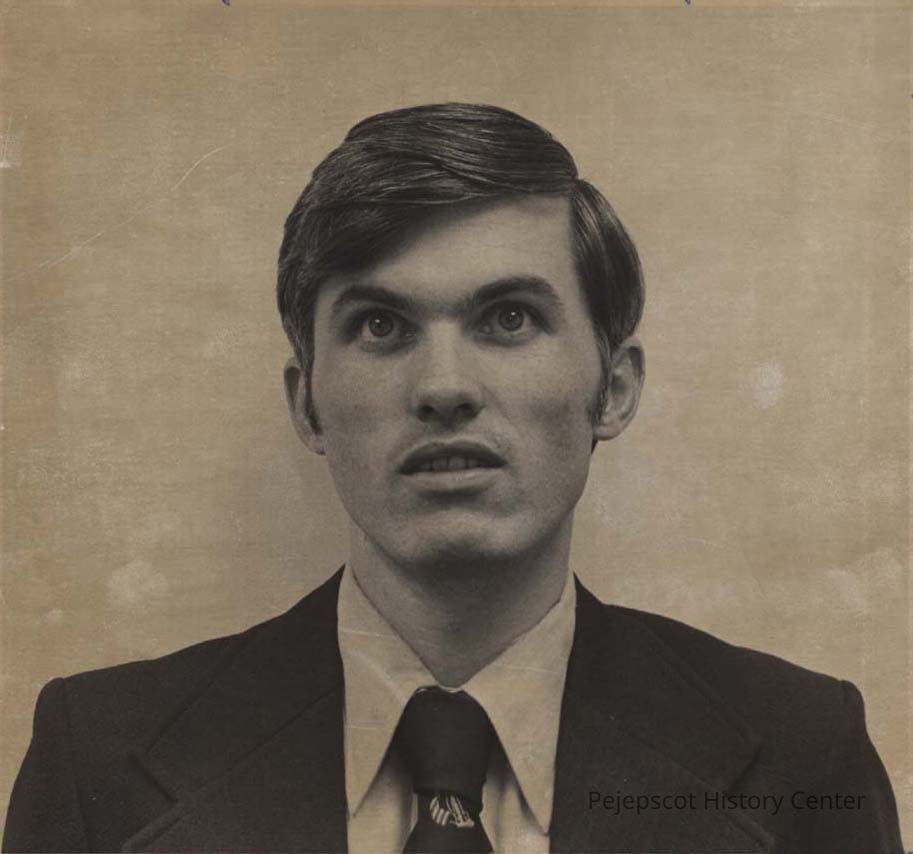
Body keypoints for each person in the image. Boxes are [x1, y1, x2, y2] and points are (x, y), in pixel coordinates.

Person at [3, 103, 903, 854]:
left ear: (613, 389)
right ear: (308, 404)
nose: (443, 388)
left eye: (508, 319)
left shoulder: (799, 751)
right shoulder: (99, 757)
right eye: (380, 326)